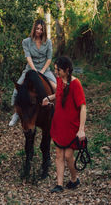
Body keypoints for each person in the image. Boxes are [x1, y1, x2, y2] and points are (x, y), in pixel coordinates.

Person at [42, 56, 86, 193]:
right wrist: (49, 98)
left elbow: (83, 107)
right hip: (58, 124)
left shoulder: (76, 84)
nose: (56, 72)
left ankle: (74, 178)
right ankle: (59, 184)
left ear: (67, 70)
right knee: (59, 154)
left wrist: (81, 129)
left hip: (72, 126)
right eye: (55, 69)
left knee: (68, 156)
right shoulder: (60, 80)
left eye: (58, 70)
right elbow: (59, 94)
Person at [9, 19, 57, 126]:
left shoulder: (48, 42)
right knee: (17, 91)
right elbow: (28, 57)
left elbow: (49, 59)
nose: (39, 31)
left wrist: (42, 72)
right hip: (30, 69)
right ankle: (16, 113)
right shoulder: (26, 42)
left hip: (45, 70)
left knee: (57, 88)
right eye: (37, 28)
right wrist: (34, 71)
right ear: (34, 28)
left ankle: (59, 113)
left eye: (41, 29)